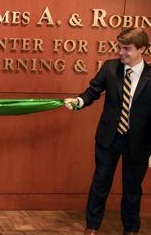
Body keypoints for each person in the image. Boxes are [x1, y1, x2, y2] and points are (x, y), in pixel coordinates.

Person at [64, 27, 151, 235]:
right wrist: (78, 101)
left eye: (126, 49)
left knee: (132, 189)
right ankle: (92, 226)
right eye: (119, 47)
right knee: (100, 183)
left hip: (139, 142)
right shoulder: (109, 68)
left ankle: (130, 230)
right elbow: (92, 92)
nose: (121, 52)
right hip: (108, 138)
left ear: (142, 49)